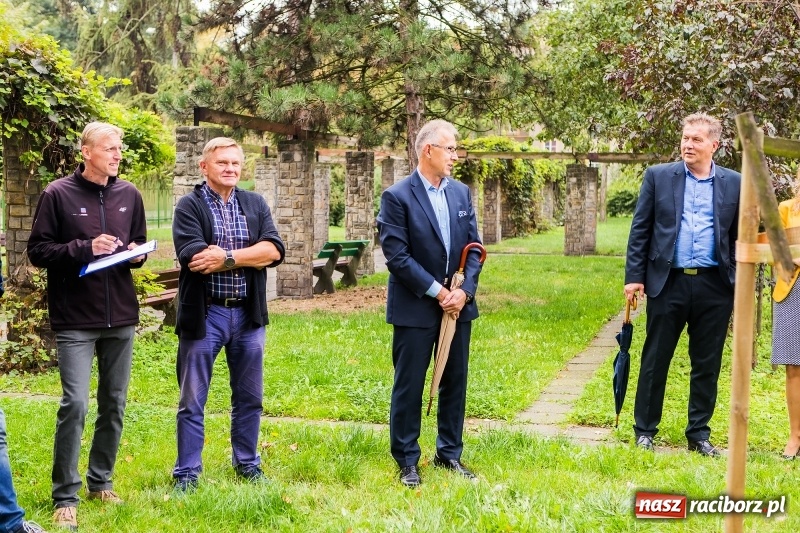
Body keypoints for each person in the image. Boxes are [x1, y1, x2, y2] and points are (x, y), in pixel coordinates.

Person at [27, 122, 147, 530]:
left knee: (114, 403)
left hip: (121, 318)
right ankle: (65, 495)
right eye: (109, 148)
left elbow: (140, 244)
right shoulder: (57, 194)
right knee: (75, 404)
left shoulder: (129, 194)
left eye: (119, 148)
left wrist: (135, 255)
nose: (117, 155)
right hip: (76, 319)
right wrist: (84, 248)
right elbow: (38, 251)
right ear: (86, 152)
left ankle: (101, 481)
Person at [171, 138, 285, 491]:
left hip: (248, 318)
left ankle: (247, 463)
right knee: (192, 400)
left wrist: (229, 257)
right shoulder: (188, 207)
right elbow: (195, 256)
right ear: (204, 167)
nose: (231, 169)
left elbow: (275, 249)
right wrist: (251, 254)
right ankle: (187, 473)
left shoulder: (254, 203)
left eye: (236, 163)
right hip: (206, 317)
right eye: (222, 163)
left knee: (250, 397)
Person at [624, 112, 741, 457]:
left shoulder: (734, 182)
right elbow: (640, 230)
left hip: (715, 286)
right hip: (668, 282)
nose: (688, 145)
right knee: (655, 358)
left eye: (697, 139)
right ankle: (645, 430)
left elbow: (739, 234)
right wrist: (634, 277)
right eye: (686, 138)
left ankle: (699, 434)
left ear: (714, 145)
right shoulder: (660, 177)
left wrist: (736, 276)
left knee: (707, 363)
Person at [377, 119, 484, 487]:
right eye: (450, 149)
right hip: (415, 308)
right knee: (409, 383)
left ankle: (449, 454)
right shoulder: (397, 197)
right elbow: (397, 257)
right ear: (428, 151)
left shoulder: (461, 194)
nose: (456, 155)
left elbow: (475, 248)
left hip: (458, 306)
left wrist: (464, 291)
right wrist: (439, 293)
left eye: (455, 149)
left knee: (455, 379)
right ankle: (407, 460)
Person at [772, 178, 800, 459]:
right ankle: (795, 436)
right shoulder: (786, 208)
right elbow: (774, 252)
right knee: (794, 365)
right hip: (793, 287)